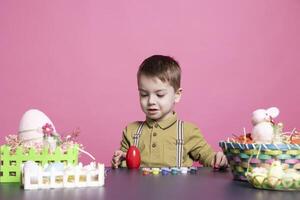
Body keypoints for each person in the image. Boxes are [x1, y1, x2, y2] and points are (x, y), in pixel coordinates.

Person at [112, 55, 227, 169]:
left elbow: (208, 156)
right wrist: (120, 159)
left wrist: (217, 159)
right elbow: (122, 166)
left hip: (176, 188)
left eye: (160, 95)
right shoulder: (131, 131)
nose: (151, 101)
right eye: (144, 94)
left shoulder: (188, 131)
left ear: (177, 95)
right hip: (139, 187)